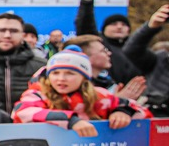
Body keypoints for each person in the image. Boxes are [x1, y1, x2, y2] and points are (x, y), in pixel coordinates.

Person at [12, 47, 148, 137]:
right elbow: (22, 113)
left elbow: (142, 112)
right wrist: (71, 121)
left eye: (70, 73)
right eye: (55, 73)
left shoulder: (100, 95)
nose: (61, 79)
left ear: (84, 77)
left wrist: (123, 112)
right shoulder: (36, 94)